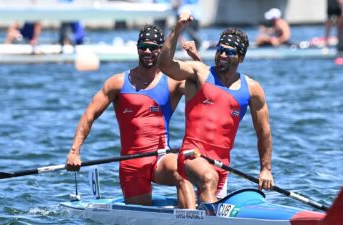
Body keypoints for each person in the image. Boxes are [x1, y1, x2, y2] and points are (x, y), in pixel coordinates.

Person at [65, 24, 200, 207]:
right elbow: (90, 115)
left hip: (160, 157)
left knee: (182, 171)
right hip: (131, 162)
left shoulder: (172, 83)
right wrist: (74, 152)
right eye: (143, 46)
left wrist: (195, 58)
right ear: (137, 48)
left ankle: (192, 218)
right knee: (140, 210)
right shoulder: (117, 83)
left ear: (161, 50)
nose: (147, 51)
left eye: (153, 47)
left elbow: (208, 88)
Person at [158, 12, 274, 209]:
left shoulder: (253, 89)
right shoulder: (198, 73)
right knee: (208, 178)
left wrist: (266, 169)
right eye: (220, 49)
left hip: (222, 164)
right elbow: (165, 65)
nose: (222, 55)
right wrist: (177, 29)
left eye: (229, 52)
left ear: (241, 58)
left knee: (207, 200)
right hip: (191, 155)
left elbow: (263, 132)